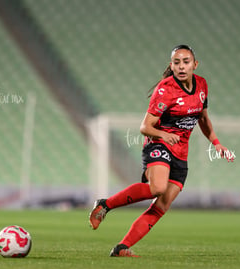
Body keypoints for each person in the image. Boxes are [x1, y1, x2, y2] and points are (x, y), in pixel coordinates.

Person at [89, 44, 231, 257]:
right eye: (177, 62)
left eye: (186, 62)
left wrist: (216, 142)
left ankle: (122, 248)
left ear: (195, 64)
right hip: (158, 144)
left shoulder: (202, 85)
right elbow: (145, 127)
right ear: (171, 66)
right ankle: (105, 205)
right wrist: (164, 135)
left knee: (161, 206)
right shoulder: (165, 90)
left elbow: (203, 118)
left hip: (181, 154)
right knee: (157, 188)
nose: (182, 66)